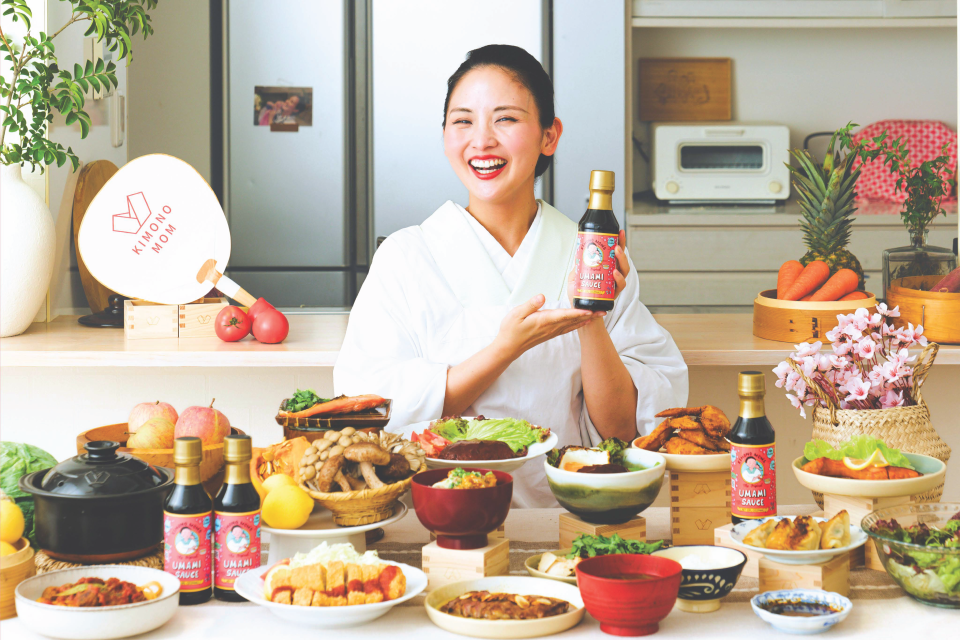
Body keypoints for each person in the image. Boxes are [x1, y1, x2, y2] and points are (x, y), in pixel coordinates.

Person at [335, 44, 688, 507]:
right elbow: (368, 409)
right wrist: (505, 349)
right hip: (439, 518)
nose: (481, 140)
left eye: (505, 119)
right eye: (463, 121)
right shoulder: (406, 257)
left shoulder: (589, 259)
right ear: (444, 134)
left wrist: (592, 319)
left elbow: (623, 430)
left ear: (549, 135)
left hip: (564, 514)